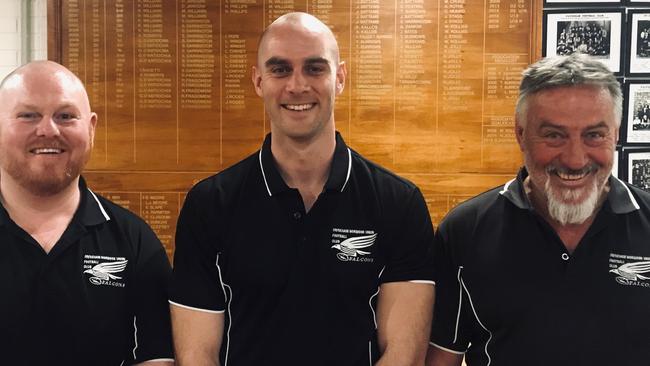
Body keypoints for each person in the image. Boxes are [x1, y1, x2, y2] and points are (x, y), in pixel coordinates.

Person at [169, 12, 435, 366]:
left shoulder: (400, 204)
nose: (297, 86)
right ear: (258, 80)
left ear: (339, 78)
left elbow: (404, 354)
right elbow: (197, 355)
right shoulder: (209, 204)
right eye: (280, 69)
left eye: (315, 68)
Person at [427, 52, 650, 366]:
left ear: (615, 133)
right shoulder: (465, 230)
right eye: (553, 135)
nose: (575, 159)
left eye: (594, 135)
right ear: (521, 135)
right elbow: (441, 358)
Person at [0, 61, 174, 365]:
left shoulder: (133, 241)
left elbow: (155, 355)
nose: (47, 130)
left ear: (91, 128)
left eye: (65, 116)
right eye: (28, 116)